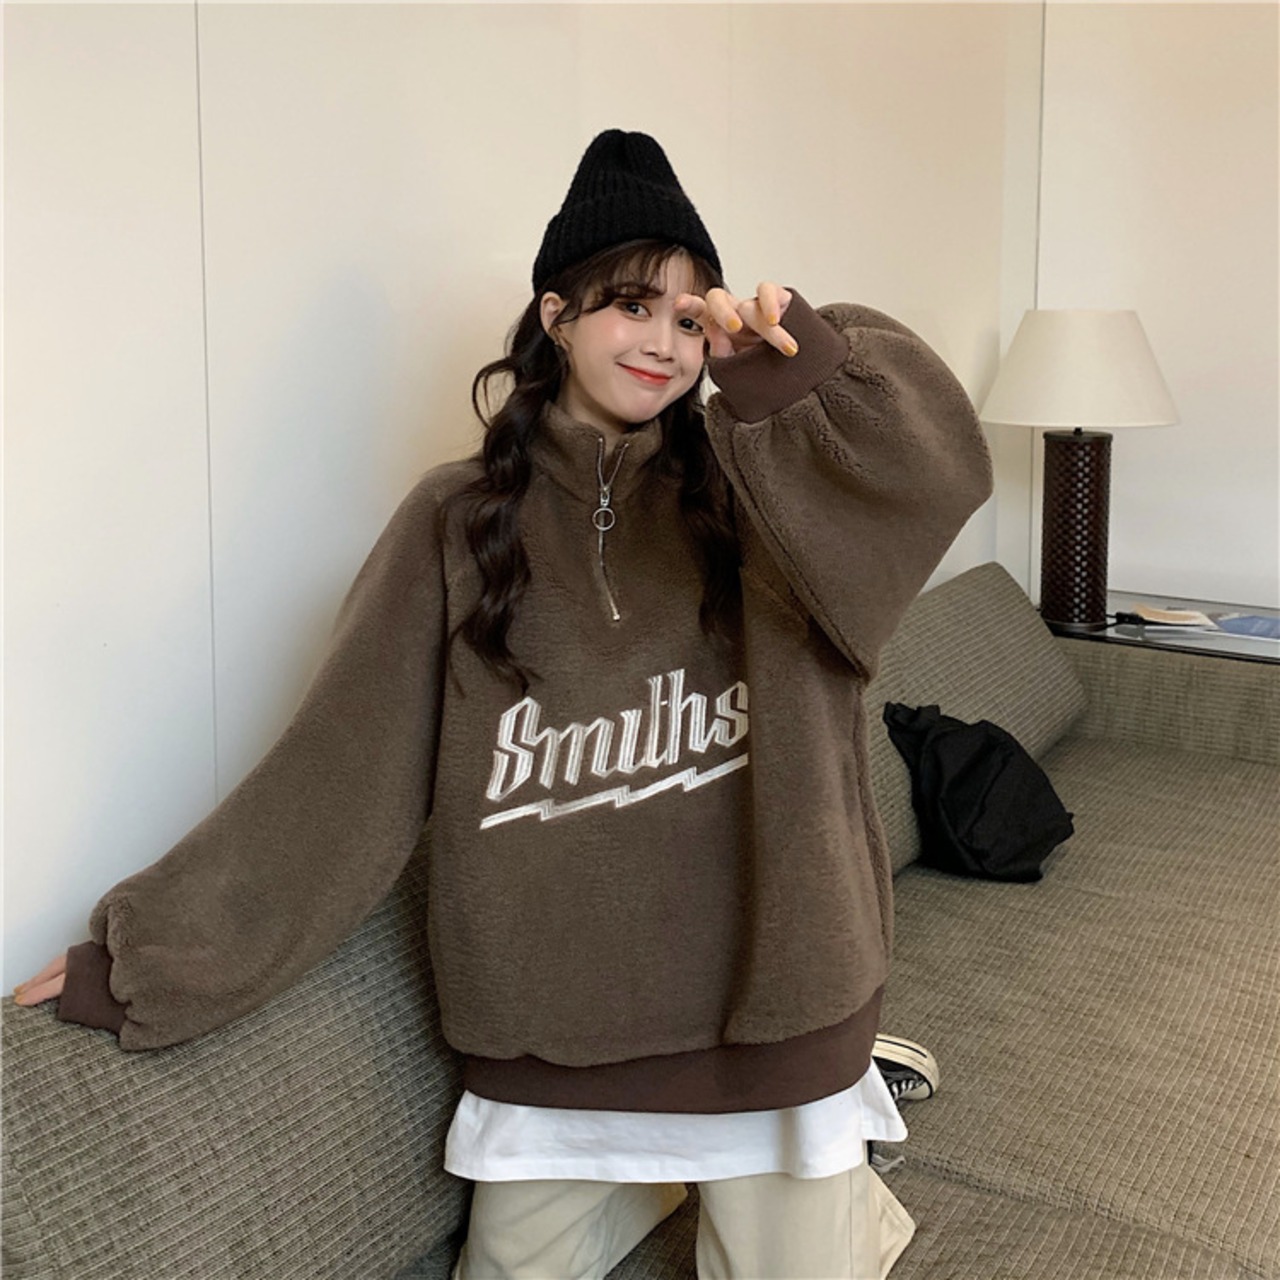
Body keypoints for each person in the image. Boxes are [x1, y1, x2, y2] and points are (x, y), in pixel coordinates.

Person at [12, 128, 993, 1278]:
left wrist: (795, 374)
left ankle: (842, 1162)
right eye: (629, 304)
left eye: (689, 319)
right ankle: (704, 1173)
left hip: (776, 1014)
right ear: (554, 317)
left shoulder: (767, 493)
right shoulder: (455, 520)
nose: (663, 342)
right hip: (553, 1034)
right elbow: (340, 774)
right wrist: (152, 957)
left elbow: (933, 476)